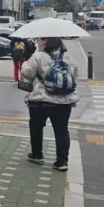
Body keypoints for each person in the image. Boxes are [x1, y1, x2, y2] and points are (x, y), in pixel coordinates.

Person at [20, 37, 78, 171]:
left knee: (36, 127)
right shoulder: (68, 56)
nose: (38, 41)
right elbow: (75, 74)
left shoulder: (38, 56)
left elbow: (27, 73)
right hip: (64, 101)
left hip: (41, 99)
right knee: (62, 130)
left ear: (46, 41)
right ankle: (62, 161)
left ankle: (37, 155)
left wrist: (26, 63)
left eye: (40, 39)